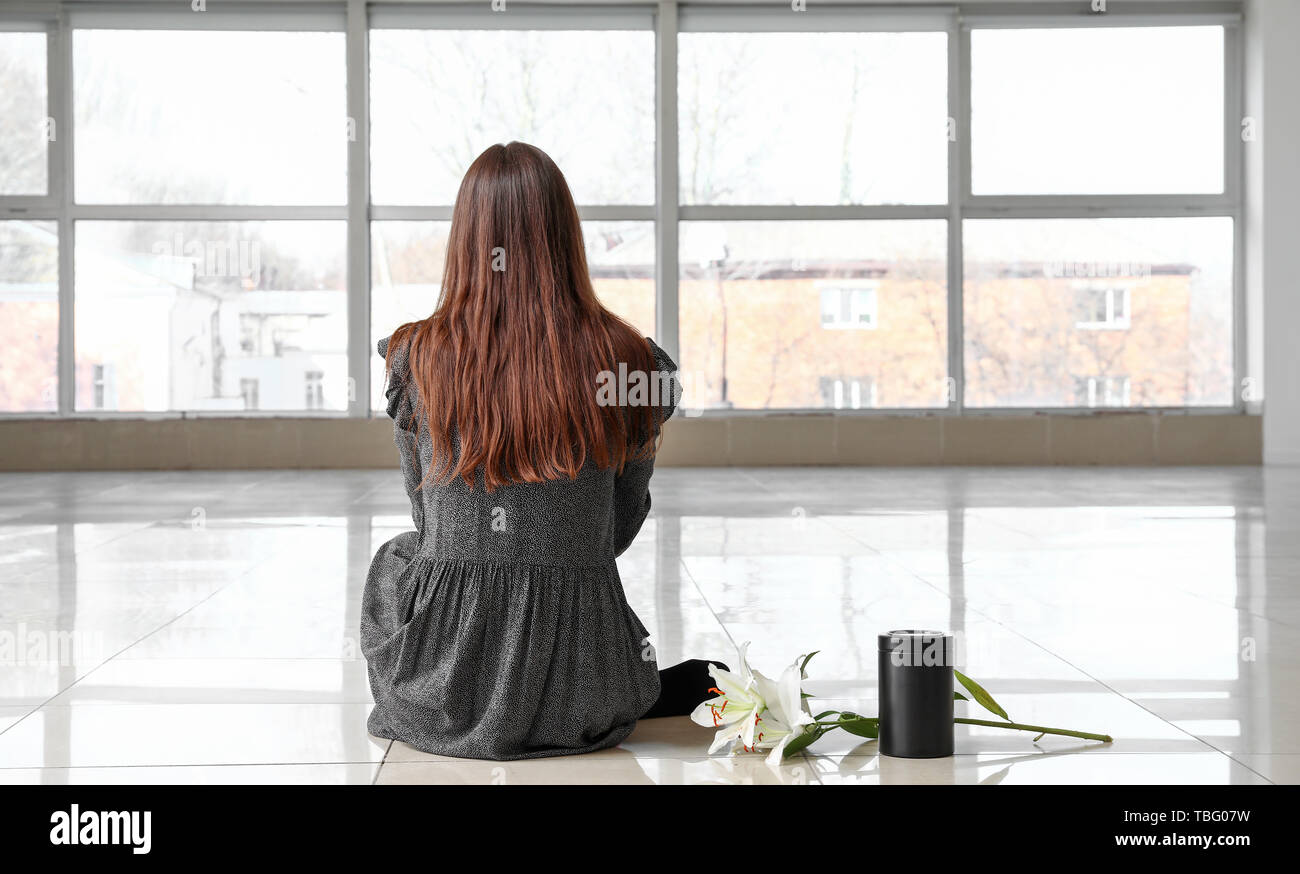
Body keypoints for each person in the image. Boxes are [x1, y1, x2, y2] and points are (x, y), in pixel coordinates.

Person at [362, 142, 722, 760]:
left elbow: (429, 525)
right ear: (564, 235)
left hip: (443, 689)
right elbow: (616, 529)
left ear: (466, 239)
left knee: (397, 556)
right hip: (588, 687)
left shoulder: (415, 357)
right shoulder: (630, 361)